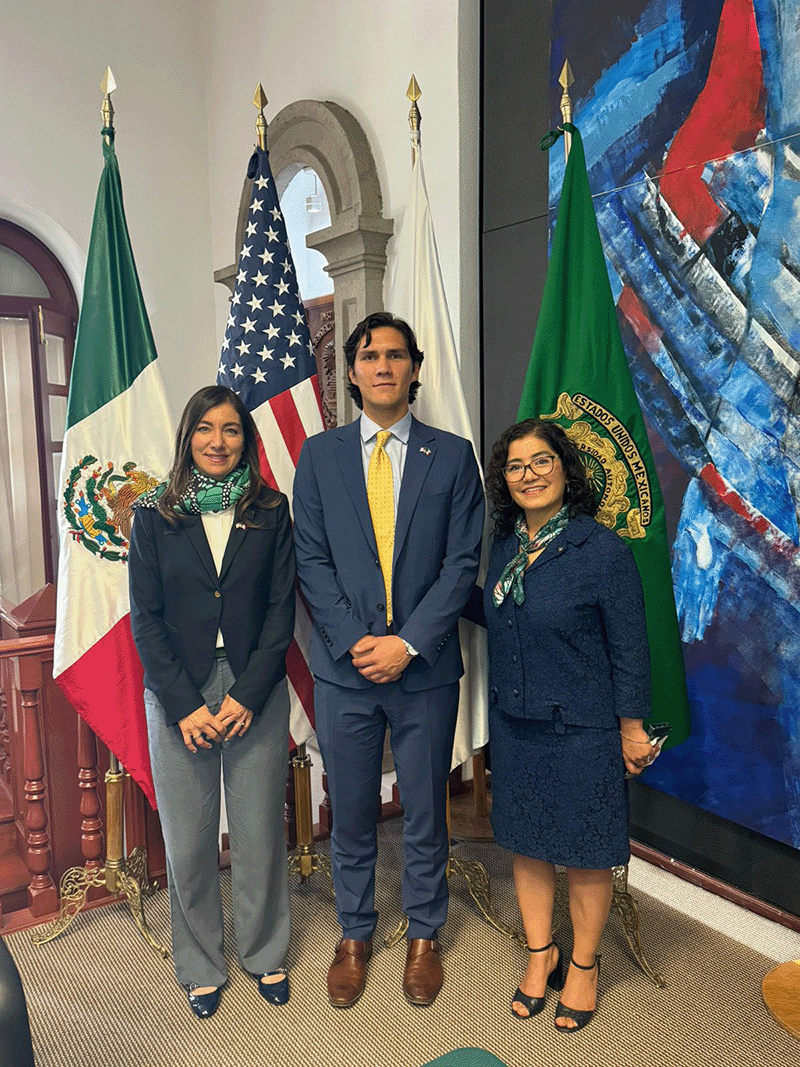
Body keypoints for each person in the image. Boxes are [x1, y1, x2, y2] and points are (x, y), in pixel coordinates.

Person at [293, 312, 484, 1008]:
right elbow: (310, 560)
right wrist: (356, 642)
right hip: (345, 672)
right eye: (368, 355)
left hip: (425, 668)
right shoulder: (319, 457)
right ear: (350, 372)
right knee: (349, 809)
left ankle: (425, 933)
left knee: (428, 809)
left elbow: (463, 562)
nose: (381, 365)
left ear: (412, 367)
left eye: (395, 354)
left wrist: (406, 642)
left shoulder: (453, 455)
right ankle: (354, 933)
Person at [128, 385, 295, 1019]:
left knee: (256, 832)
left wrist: (250, 693)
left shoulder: (271, 511)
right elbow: (145, 619)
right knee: (190, 838)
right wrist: (183, 705)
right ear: (187, 436)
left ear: (245, 441)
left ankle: (262, 951)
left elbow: (282, 613)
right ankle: (200, 960)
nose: (217, 442)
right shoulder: (154, 513)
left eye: (230, 430)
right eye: (205, 428)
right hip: (181, 693)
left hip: (254, 686)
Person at [484, 418, 652, 1033]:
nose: (528, 475)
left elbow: (631, 650)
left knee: (585, 852)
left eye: (541, 462)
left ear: (565, 468)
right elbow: (496, 617)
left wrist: (632, 729)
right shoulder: (505, 546)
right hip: (515, 721)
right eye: (515, 466)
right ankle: (540, 953)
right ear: (505, 480)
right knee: (527, 843)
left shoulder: (602, 551)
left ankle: (583, 963)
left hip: (581, 728)